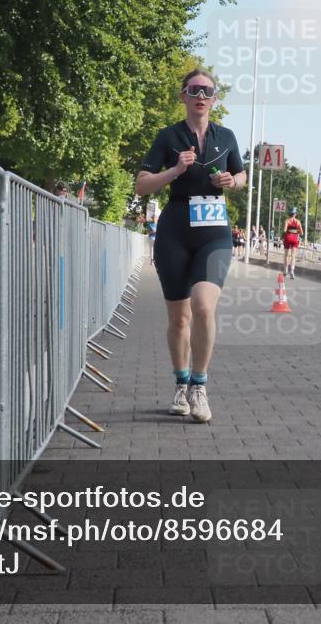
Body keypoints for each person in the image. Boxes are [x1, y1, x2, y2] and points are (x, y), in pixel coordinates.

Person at [135, 69, 246, 423]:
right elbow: (141, 186)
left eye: (208, 91)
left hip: (214, 231)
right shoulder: (168, 136)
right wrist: (173, 172)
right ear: (183, 96)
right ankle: (181, 385)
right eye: (194, 90)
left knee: (202, 306)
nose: (201, 95)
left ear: (215, 99)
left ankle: (199, 386)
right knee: (179, 318)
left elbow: (242, 175)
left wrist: (233, 181)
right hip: (175, 230)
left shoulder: (226, 136)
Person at [282, 207, 303, 279]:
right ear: (295, 214)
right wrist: (296, 231)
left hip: (287, 237)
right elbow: (301, 232)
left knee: (286, 255)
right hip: (295, 239)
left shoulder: (287, 220)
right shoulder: (298, 222)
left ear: (290, 213)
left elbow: (284, 230)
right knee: (293, 255)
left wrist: (285, 234)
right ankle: (292, 271)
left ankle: (285, 270)